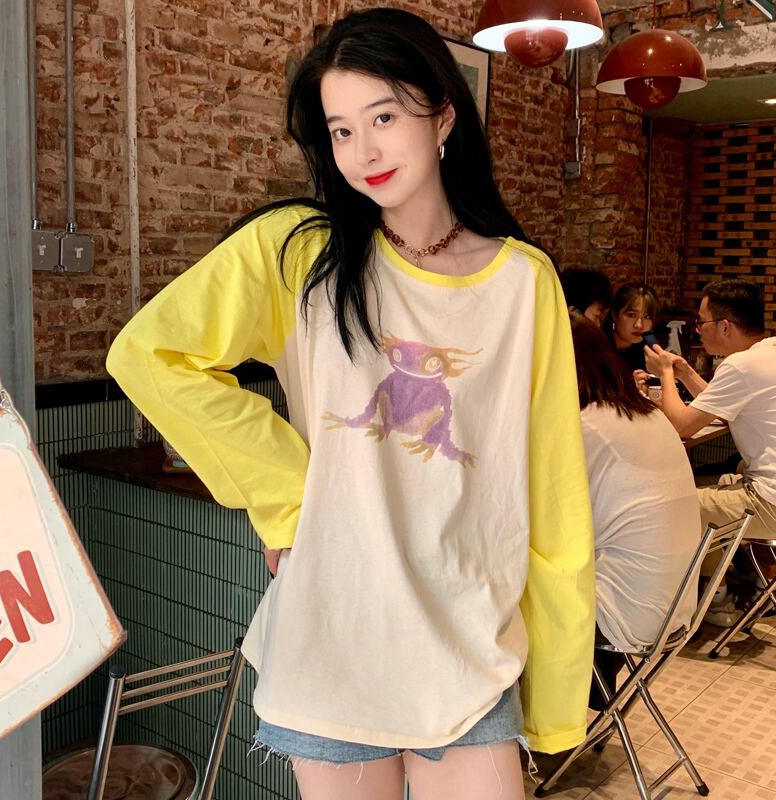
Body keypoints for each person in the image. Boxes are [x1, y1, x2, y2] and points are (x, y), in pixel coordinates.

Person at [106, 9, 595, 799]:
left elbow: (552, 494)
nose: (363, 151)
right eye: (340, 130)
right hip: (334, 638)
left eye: (384, 117)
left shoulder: (523, 282)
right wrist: (288, 498)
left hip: (468, 648)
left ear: (443, 115)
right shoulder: (300, 254)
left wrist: (560, 691)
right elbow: (149, 355)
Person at [569, 313, 700, 708]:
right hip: (675, 606)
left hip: (623, 615)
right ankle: (594, 704)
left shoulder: (583, 427)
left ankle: (530, 727)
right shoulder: (645, 412)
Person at [645, 279, 776, 625]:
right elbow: (723, 408)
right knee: (707, 490)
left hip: (769, 502)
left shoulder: (741, 366)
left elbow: (681, 425)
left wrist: (665, 375)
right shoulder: (767, 353)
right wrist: (686, 372)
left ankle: (690, 609)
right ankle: (717, 596)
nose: (697, 330)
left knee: (670, 506)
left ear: (725, 326)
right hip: (767, 492)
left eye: (701, 322)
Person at [606, 282, 659, 374]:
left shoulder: (649, 345)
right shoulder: (599, 346)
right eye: (631, 315)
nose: (639, 325)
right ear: (614, 315)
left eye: (647, 317)